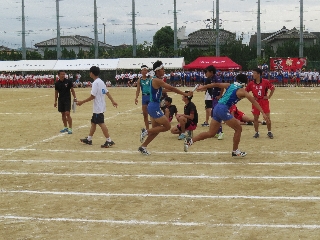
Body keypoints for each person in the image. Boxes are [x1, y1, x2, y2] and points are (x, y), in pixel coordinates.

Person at [184, 73, 270, 157]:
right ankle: (235, 151)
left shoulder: (230, 85)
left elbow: (216, 84)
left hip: (217, 107)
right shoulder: (241, 91)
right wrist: (263, 113)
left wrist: (203, 87)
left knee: (211, 133)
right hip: (223, 109)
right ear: (244, 82)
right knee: (238, 129)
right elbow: (254, 101)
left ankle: (190, 141)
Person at [139, 60, 193, 155]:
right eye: (162, 69)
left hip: (153, 106)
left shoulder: (154, 79)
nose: (164, 70)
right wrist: (184, 93)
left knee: (156, 131)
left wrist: (181, 91)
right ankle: (145, 131)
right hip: (154, 107)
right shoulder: (157, 80)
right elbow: (171, 88)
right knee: (167, 126)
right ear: (157, 70)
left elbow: (163, 90)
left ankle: (143, 146)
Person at [77, 66, 118, 148]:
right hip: (100, 106)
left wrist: (82, 102)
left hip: (98, 107)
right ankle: (89, 139)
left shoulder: (95, 83)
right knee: (93, 122)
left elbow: (93, 96)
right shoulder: (101, 82)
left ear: (92, 73)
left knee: (101, 123)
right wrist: (113, 101)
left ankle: (109, 140)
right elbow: (107, 92)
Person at [245, 68, 275, 139]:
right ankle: (256, 132)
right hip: (255, 102)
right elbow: (245, 91)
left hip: (264, 102)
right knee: (255, 118)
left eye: (254, 73)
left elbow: (273, 88)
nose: (253, 75)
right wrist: (252, 98)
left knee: (267, 117)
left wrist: (269, 96)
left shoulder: (265, 82)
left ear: (259, 74)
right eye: (253, 73)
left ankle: (269, 132)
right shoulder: (251, 83)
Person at [200, 65, 224, 140]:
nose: (206, 73)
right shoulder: (212, 78)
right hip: (213, 98)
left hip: (217, 99)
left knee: (217, 114)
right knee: (213, 114)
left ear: (211, 72)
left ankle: (220, 132)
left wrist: (220, 95)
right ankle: (217, 131)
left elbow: (222, 86)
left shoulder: (216, 78)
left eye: (207, 72)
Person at [54, 70, 77, 134]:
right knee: (63, 114)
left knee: (67, 113)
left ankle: (70, 128)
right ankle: (65, 127)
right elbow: (56, 92)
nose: (63, 75)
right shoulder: (57, 83)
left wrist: (75, 97)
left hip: (67, 99)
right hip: (60, 100)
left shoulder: (68, 81)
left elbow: (72, 90)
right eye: (62, 74)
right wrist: (55, 101)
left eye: (64, 74)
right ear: (58, 75)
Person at [135, 65, 152, 130]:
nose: (144, 71)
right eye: (143, 70)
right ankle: (147, 129)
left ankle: (154, 128)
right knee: (145, 114)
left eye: (146, 70)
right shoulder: (139, 80)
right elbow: (138, 90)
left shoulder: (150, 78)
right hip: (144, 97)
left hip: (150, 96)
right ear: (141, 71)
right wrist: (136, 98)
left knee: (152, 113)